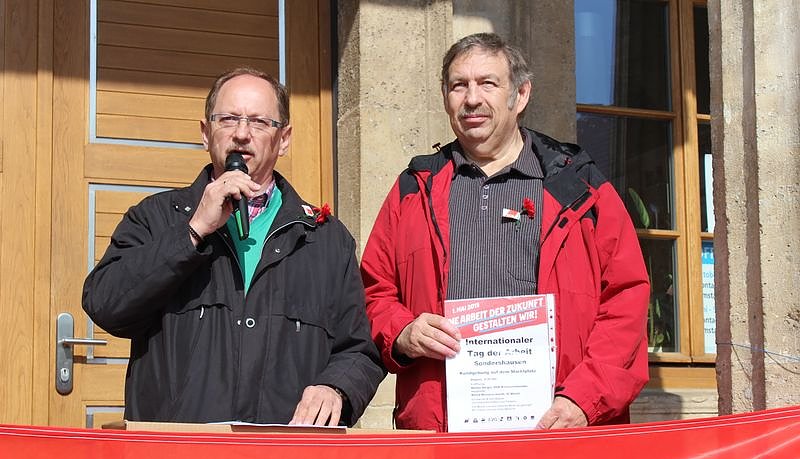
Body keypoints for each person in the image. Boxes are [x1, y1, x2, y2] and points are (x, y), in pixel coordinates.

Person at [360, 33, 650, 431]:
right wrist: (403, 332)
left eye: (488, 83)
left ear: (521, 94)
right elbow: (374, 292)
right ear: (446, 97)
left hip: (559, 430)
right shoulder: (414, 189)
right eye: (459, 85)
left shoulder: (580, 188)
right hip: (443, 433)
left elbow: (626, 298)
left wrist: (585, 399)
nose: (472, 98)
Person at [83, 67, 385, 426]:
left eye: (259, 122)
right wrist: (194, 230)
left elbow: (360, 351)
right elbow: (105, 304)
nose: (242, 134)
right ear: (205, 133)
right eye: (227, 119)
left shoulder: (326, 239)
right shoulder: (155, 219)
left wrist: (335, 388)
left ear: (283, 139)